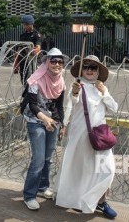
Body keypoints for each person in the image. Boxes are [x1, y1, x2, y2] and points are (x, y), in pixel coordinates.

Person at [55, 55, 118, 219]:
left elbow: (114, 108)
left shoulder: (101, 87)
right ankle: (80, 199)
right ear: (82, 70)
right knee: (82, 170)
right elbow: (71, 104)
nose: (89, 70)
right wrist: (64, 124)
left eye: (93, 67)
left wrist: (104, 93)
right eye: (86, 67)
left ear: (98, 71)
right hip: (80, 136)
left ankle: (100, 201)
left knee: (107, 170)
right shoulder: (77, 86)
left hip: (100, 136)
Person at [22, 48, 66, 211]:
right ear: (47, 62)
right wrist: (45, 119)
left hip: (52, 122)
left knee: (48, 158)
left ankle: (42, 186)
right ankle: (29, 195)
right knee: (38, 159)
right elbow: (32, 105)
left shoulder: (61, 81)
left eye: (60, 61)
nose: (57, 64)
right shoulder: (36, 80)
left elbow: (59, 106)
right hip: (36, 120)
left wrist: (62, 124)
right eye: (53, 61)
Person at [15, 15, 42, 85]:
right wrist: (16, 64)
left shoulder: (36, 35)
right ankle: (26, 94)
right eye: (23, 25)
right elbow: (19, 50)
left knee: (32, 81)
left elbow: (38, 47)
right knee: (23, 80)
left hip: (31, 61)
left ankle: (30, 95)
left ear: (30, 24)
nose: (24, 27)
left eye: (25, 25)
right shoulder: (23, 35)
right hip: (22, 61)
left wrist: (36, 50)